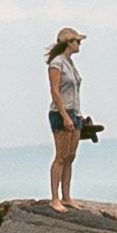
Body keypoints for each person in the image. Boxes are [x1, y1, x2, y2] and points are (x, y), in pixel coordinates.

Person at [43, 26, 92, 208]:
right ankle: (55, 198)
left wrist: (78, 114)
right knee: (61, 156)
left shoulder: (70, 63)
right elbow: (55, 91)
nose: (79, 44)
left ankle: (66, 196)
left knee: (71, 155)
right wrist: (65, 115)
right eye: (77, 41)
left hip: (75, 111)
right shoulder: (57, 63)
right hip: (61, 112)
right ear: (68, 43)